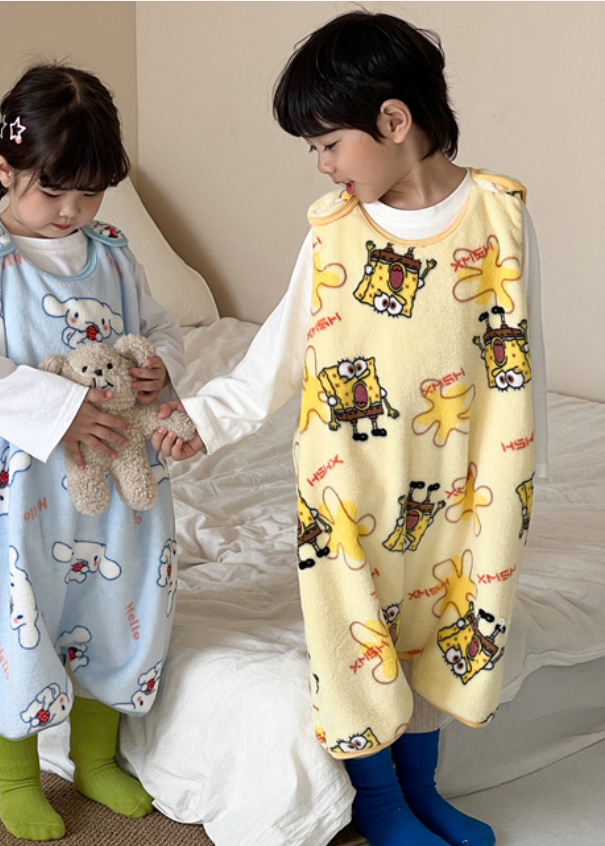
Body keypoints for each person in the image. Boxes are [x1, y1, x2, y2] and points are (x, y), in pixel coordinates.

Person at [154, 11, 547, 846]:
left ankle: (420, 788)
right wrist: (203, 419)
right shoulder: (335, 230)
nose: (324, 165)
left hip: (465, 480)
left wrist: (522, 473)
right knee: (357, 632)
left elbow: (522, 349)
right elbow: (280, 351)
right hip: (349, 483)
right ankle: (379, 800)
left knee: (444, 621)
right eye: (315, 150)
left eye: (329, 144)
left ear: (394, 121)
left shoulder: (501, 215)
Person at [0, 63, 185, 841]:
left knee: (116, 604)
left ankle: (95, 758)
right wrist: (62, 411)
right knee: (18, 612)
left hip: (113, 482)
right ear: (5, 169)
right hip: (16, 489)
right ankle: (16, 775)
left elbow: (158, 326)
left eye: (91, 192)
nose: (71, 210)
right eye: (53, 190)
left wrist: (161, 367)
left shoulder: (112, 252)